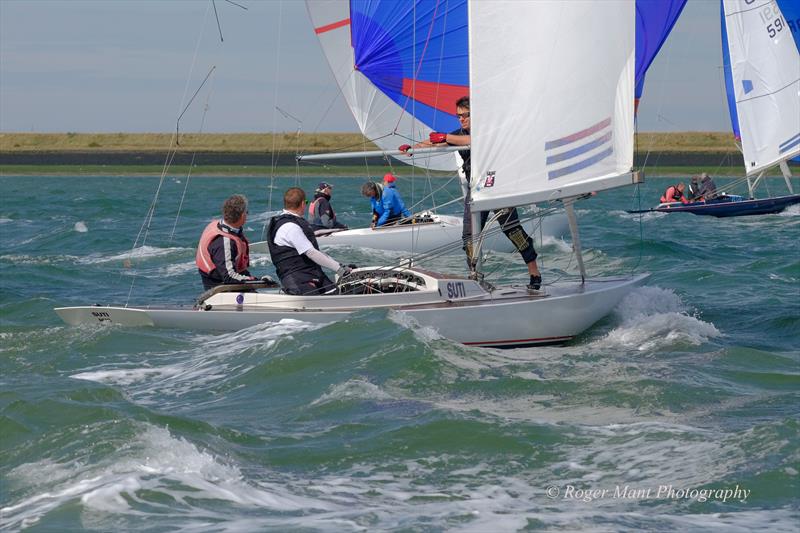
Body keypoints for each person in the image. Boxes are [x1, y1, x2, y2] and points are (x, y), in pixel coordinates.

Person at [400, 95, 543, 291]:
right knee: (469, 237)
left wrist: (446, 137)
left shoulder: (486, 133)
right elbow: (436, 143)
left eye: (466, 115)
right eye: (459, 116)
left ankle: (534, 272)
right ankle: (475, 276)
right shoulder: (457, 134)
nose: (462, 119)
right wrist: (413, 148)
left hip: (497, 188)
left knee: (512, 230)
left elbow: (473, 140)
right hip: (475, 191)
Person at [267, 187, 355, 295]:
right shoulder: (290, 227)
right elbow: (311, 253)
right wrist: (339, 270)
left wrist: (341, 266)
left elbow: (314, 251)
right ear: (303, 204)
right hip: (298, 278)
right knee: (328, 300)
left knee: (340, 294)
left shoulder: (292, 222)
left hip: (312, 274)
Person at [197, 194, 259, 290]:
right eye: (246, 212)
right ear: (242, 215)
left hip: (229, 280)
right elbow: (228, 276)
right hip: (220, 289)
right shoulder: (224, 241)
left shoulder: (221, 225)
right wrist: (255, 280)